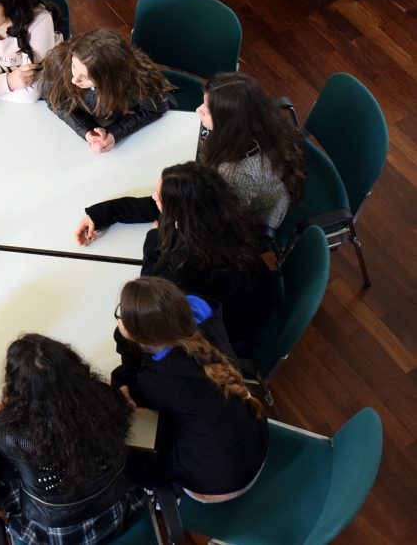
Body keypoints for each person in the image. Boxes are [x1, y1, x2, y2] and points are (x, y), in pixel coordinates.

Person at [74, 161, 272, 353]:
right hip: (258, 298)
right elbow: (154, 207)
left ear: (178, 212)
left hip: (232, 334)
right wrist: (101, 215)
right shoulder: (216, 212)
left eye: (159, 196)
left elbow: (150, 288)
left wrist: (153, 238)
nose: (153, 197)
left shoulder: (187, 263)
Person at [111, 277, 269, 502]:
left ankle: (163, 497)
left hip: (221, 480)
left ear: (143, 339)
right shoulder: (199, 309)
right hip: (255, 438)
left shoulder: (162, 382)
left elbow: (134, 400)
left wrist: (120, 380)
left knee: (134, 441)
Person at [0, 333, 150, 544]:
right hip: (115, 506)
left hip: (57, 531)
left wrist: (8, 412)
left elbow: (6, 465)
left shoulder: (10, 432)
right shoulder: (105, 399)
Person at [197, 72, 306, 229]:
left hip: (252, 220)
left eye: (207, 110)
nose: (197, 111)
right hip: (262, 190)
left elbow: (225, 216)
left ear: (228, 122)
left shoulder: (238, 172)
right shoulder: (256, 121)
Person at [43, 28, 175, 153]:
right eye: (74, 66)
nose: (74, 80)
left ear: (109, 78)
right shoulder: (60, 60)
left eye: (86, 76)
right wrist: (88, 131)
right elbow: (53, 98)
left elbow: (155, 108)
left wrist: (114, 133)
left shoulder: (140, 83)